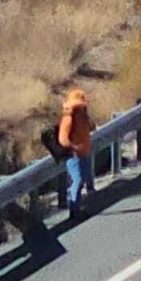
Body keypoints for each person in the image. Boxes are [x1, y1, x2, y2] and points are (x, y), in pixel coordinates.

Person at [58, 89, 95, 218]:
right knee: (78, 180)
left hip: (83, 152)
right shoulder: (69, 117)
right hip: (74, 155)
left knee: (83, 178)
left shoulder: (82, 115)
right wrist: (74, 147)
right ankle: (74, 210)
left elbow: (90, 127)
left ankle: (77, 207)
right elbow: (63, 139)